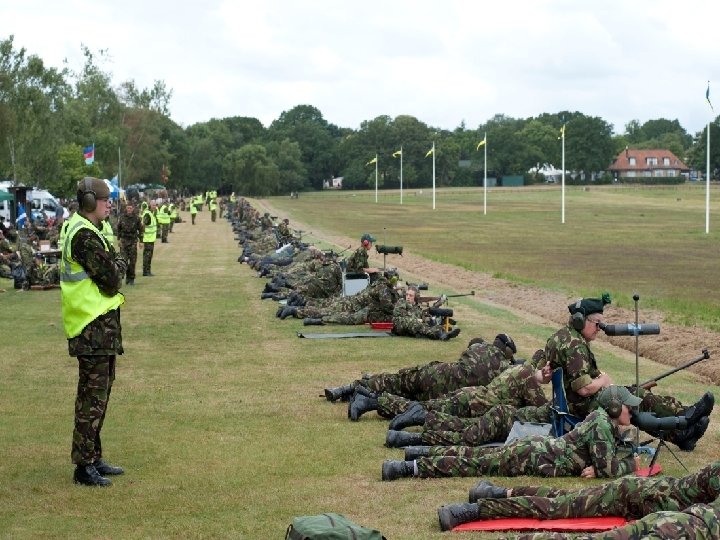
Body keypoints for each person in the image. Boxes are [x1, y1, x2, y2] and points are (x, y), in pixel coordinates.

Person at [547, 293, 713, 450]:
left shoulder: (561, 337)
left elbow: (542, 368)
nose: (599, 328)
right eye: (597, 324)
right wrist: (603, 381)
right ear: (580, 320)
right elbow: (583, 389)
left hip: (575, 403)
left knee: (635, 395)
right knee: (636, 398)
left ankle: (683, 433)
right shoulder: (575, 346)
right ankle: (685, 418)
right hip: (582, 405)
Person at [382, 385, 643, 482]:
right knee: (472, 462)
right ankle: (407, 468)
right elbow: (608, 467)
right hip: (533, 456)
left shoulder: (601, 420)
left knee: (474, 455)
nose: (631, 411)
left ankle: (414, 453)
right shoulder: (601, 424)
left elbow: (604, 462)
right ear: (613, 407)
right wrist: (631, 464)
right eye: (627, 406)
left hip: (535, 451)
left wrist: (601, 467)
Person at [59, 177, 127, 486]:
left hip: (97, 328)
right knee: (91, 398)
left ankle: (93, 456)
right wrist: (121, 261)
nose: (109, 203)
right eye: (104, 199)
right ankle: (83, 466)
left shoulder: (88, 230)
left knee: (98, 396)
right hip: (91, 329)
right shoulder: (85, 235)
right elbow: (112, 279)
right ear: (89, 202)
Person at [436, 459, 720, 532]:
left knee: (562, 498)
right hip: (633, 495)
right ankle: (472, 510)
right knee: (556, 508)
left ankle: (494, 492)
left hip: (640, 495)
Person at [324, 334, 517, 403]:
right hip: (448, 397)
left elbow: (473, 344)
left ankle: (348, 388)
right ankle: (363, 395)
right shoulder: (506, 368)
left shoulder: (479, 347)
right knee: (404, 399)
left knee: (395, 381)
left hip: (436, 375)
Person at [392, 285, 461, 341]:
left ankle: (443, 333)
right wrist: (418, 320)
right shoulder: (401, 302)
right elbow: (401, 317)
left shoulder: (417, 307)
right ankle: (440, 335)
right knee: (418, 324)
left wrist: (426, 320)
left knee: (429, 323)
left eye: (410, 295)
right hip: (400, 325)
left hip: (412, 326)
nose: (408, 297)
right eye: (407, 295)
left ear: (415, 297)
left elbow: (424, 317)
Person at [116, 202, 143, 285]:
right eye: (128, 208)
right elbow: (118, 228)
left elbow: (141, 230)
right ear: (126, 208)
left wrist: (141, 241)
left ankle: (131, 279)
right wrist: (118, 239)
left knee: (132, 262)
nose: (129, 209)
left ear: (133, 209)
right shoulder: (122, 217)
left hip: (133, 242)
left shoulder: (136, 218)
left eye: (130, 208)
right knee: (123, 261)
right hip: (124, 241)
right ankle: (124, 278)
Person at [141, 200, 158, 276]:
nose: (154, 206)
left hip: (151, 239)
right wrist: (141, 237)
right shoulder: (147, 214)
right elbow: (143, 225)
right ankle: (146, 271)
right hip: (147, 239)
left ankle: (148, 270)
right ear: (149, 205)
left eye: (155, 205)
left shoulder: (152, 213)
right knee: (147, 256)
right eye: (153, 205)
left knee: (149, 255)